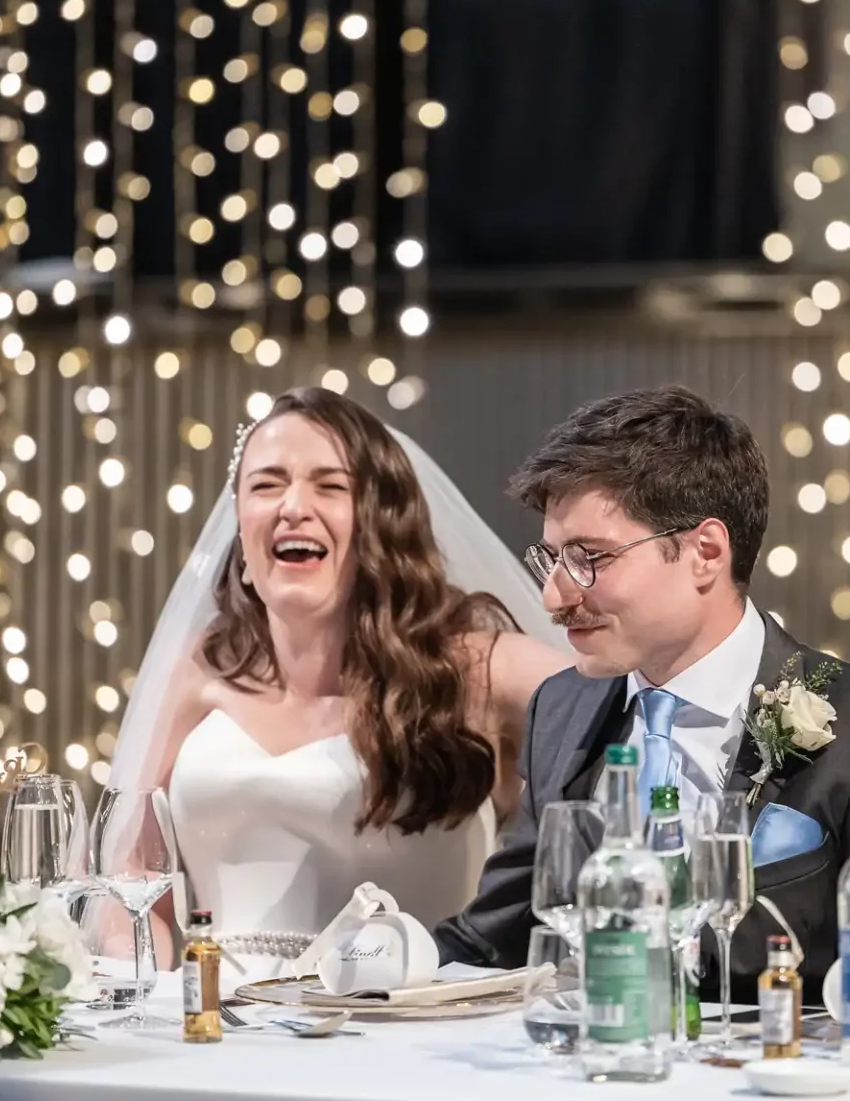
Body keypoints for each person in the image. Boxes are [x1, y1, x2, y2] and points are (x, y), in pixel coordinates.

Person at [434, 385, 850, 1000]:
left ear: (705, 552)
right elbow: (496, 934)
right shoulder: (562, 708)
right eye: (552, 561)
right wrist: (367, 961)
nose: (555, 598)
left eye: (590, 558)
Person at [103, 388, 569, 979]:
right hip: (220, 1034)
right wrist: (143, 988)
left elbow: (626, 718)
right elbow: (136, 880)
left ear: (380, 524)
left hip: (406, 1032)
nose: (293, 506)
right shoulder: (204, 669)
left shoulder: (474, 667)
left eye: (330, 485)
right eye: (267, 484)